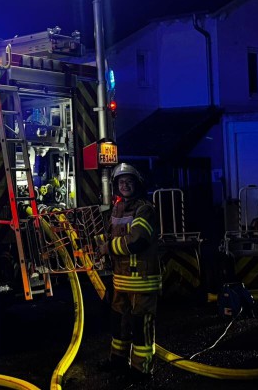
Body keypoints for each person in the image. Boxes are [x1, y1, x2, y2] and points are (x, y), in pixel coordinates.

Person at [96, 163, 161, 386]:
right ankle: (118, 360)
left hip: (142, 280)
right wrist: (100, 245)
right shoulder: (117, 209)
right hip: (121, 279)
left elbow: (137, 241)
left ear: (138, 184)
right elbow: (111, 235)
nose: (124, 185)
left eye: (129, 181)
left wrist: (108, 248)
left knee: (141, 326)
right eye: (121, 182)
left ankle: (142, 369)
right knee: (119, 323)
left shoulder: (145, 209)